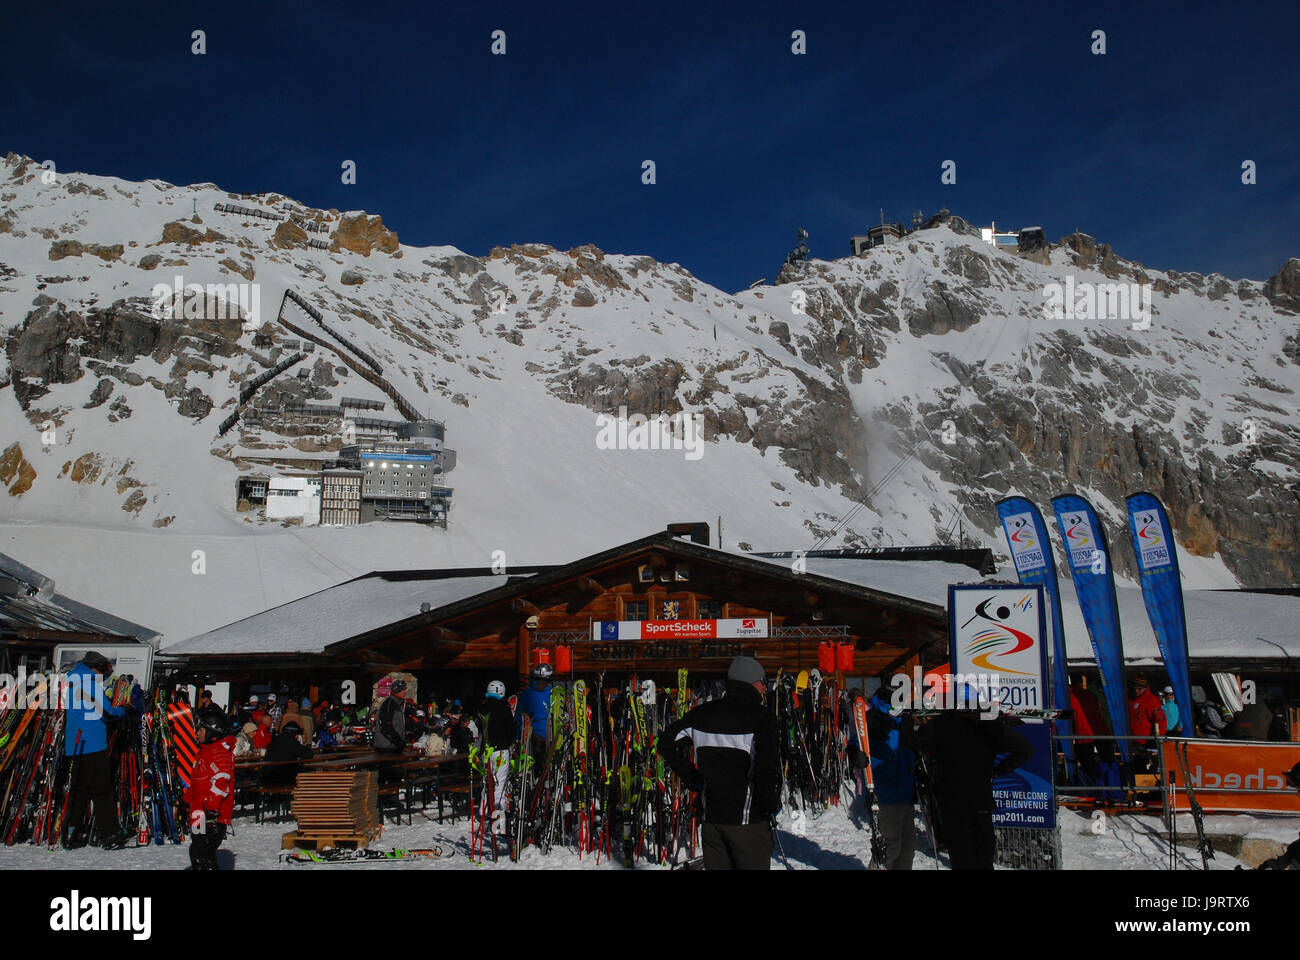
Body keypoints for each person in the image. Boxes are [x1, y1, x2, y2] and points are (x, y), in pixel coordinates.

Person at [658, 656, 781, 870]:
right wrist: (768, 805)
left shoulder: (702, 713)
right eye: (763, 682)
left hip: (712, 823)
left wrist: (693, 778)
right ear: (751, 681)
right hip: (747, 823)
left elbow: (665, 743)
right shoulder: (762, 718)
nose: (764, 688)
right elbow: (766, 768)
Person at [910, 694, 1033, 870]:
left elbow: (913, 742)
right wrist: (997, 771)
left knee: (962, 859)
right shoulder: (988, 725)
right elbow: (1025, 750)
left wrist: (906, 723)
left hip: (953, 802)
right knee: (982, 859)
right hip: (979, 801)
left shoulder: (942, 724)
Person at [63, 651, 134, 850]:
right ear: (95, 668)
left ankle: (70, 833)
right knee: (101, 790)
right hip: (93, 743)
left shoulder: (74, 681)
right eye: (103, 669)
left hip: (76, 744)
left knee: (80, 790)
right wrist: (122, 710)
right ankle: (110, 834)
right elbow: (108, 711)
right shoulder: (90, 683)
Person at [865, 685, 916, 869]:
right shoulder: (874, 719)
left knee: (907, 851)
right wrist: (856, 754)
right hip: (885, 794)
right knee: (889, 848)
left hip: (906, 793)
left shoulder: (903, 720)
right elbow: (858, 742)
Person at [185, 706, 237, 870]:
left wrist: (212, 813)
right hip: (199, 812)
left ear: (212, 732)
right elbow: (198, 782)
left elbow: (220, 784)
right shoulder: (204, 752)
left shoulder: (220, 753)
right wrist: (185, 800)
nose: (197, 733)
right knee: (197, 850)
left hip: (212, 816)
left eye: (200, 730)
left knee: (203, 853)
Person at [482, 680, 515, 822]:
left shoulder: (482, 707)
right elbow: (511, 729)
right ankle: (498, 812)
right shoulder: (504, 707)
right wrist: (511, 740)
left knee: (486, 780)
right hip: (501, 749)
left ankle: (484, 809)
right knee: (499, 782)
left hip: (486, 750)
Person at [517, 664, 553, 760]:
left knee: (534, 763)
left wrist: (517, 736)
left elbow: (519, 715)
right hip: (550, 735)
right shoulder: (552, 694)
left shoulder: (527, 693)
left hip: (531, 735)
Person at [263, 720, 313, 785]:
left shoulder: (275, 739)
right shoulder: (292, 742)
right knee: (306, 772)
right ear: (295, 734)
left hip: (267, 776)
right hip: (284, 778)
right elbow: (309, 754)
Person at [373, 679, 409, 754]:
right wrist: (398, 741)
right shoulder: (389, 703)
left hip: (393, 745)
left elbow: (399, 723)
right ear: (398, 691)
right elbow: (386, 725)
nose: (406, 691)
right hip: (386, 746)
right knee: (390, 765)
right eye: (404, 689)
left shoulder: (399, 703)